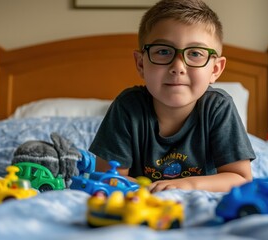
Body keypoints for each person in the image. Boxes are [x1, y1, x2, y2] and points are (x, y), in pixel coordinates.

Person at [89, 0, 255, 193]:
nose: (178, 67)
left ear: (215, 69)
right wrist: (152, 189)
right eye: (163, 51)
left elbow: (241, 178)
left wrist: (187, 185)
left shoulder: (218, 107)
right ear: (141, 64)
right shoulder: (128, 107)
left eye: (195, 53)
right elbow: (106, 178)